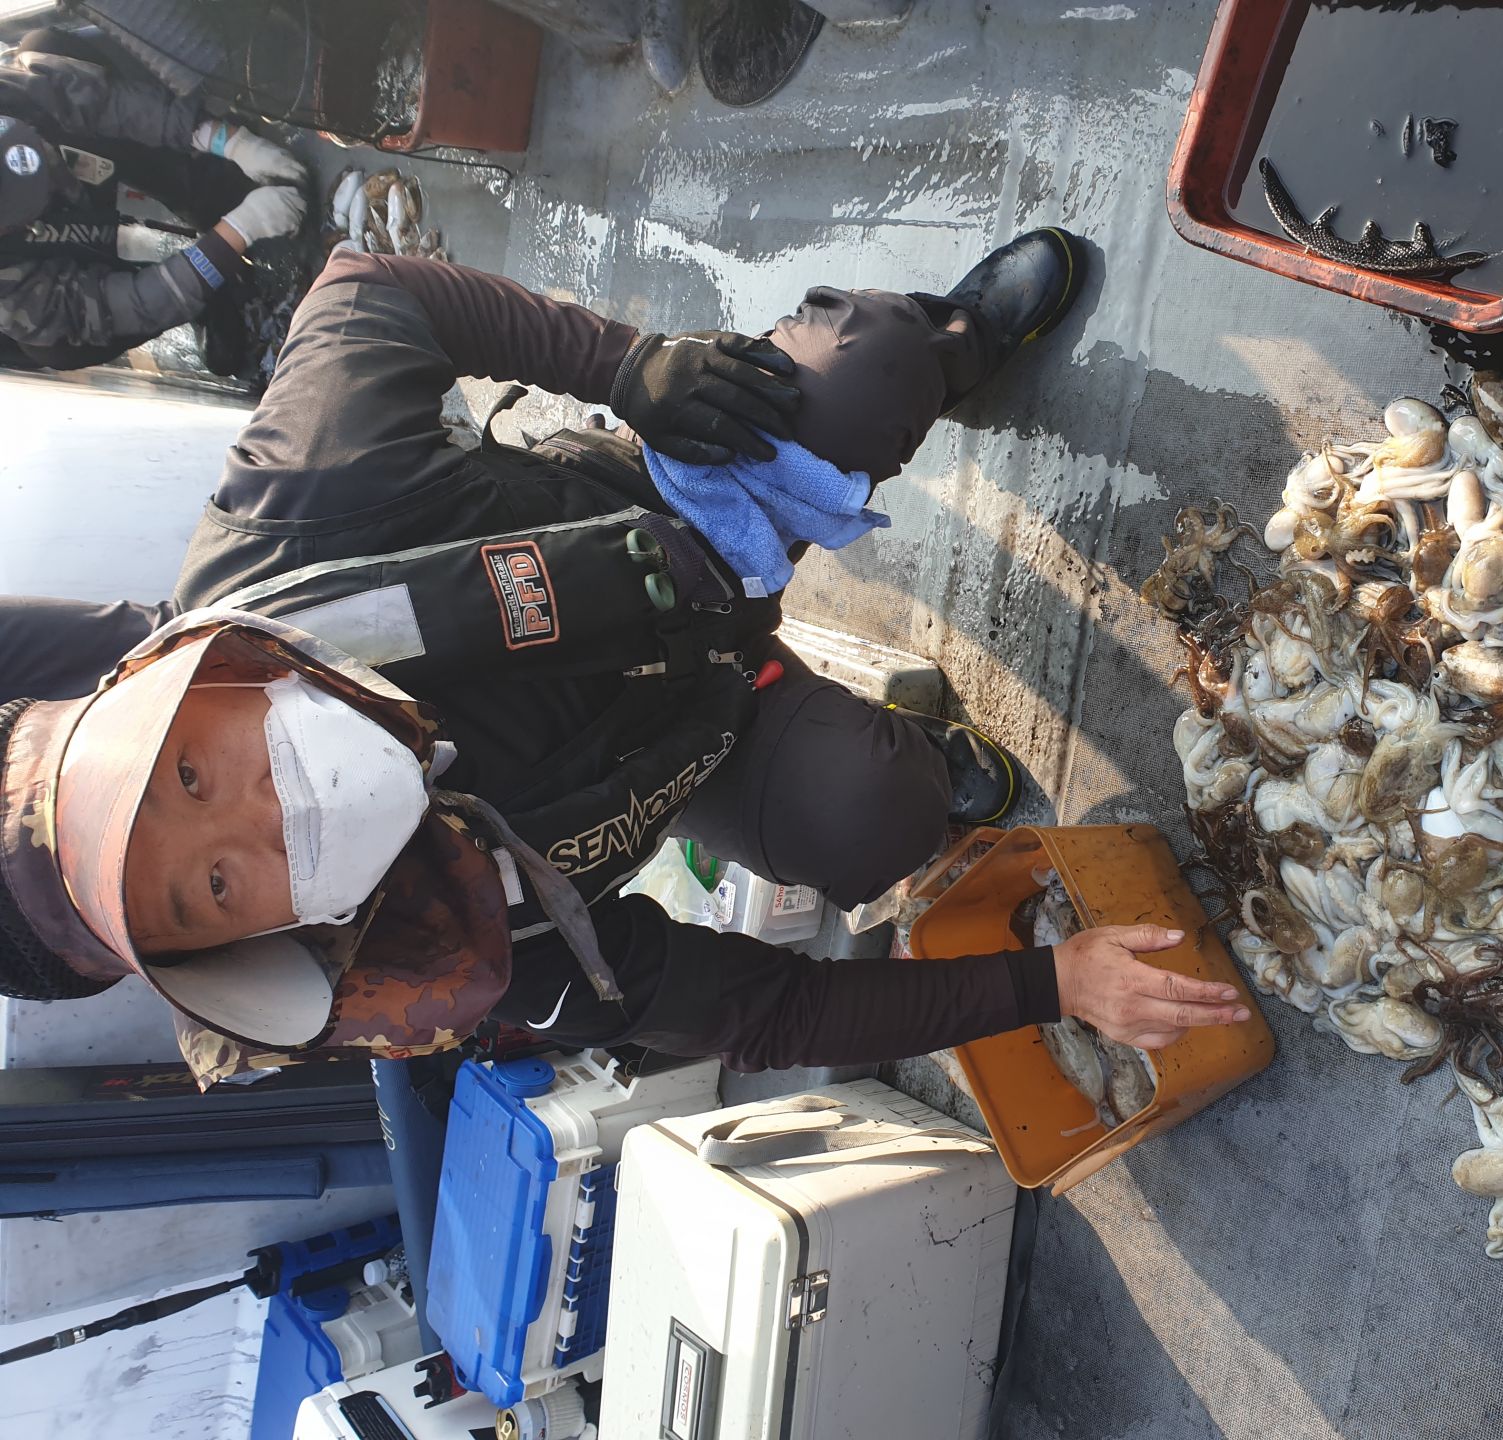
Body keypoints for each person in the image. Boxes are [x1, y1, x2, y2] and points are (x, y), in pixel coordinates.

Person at [0, 229, 1249, 1084]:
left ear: (171, 697)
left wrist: (630, 367)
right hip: (698, 739)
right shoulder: (438, 954)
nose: (261, 819)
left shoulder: (292, 531)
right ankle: (895, 751)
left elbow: (372, 292)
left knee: (863, 367)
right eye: (215, 890)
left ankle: (950, 345)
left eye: (186, 779)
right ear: (247, 955)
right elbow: (765, 1012)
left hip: (667, 533)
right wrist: (1050, 984)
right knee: (880, 813)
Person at [0, 29, 308, 377]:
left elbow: (104, 103)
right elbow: (118, 307)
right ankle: (202, 287)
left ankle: (196, 188)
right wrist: (241, 229)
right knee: (56, 345)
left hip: (85, 158)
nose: (44, 159)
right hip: (53, 255)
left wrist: (222, 138)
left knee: (46, 48)